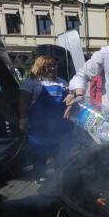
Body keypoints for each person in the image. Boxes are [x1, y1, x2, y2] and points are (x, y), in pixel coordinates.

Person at [19, 55, 73, 184]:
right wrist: (22, 118)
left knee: (60, 151)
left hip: (60, 125)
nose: (51, 68)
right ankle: (40, 176)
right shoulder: (31, 82)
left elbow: (70, 100)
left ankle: (60, 176)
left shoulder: (62, 82)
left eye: (53, 66)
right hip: (39, 125)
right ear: (39, 67)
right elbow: (23, 102)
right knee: (40, 152)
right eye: (47, 66)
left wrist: (72, 96)